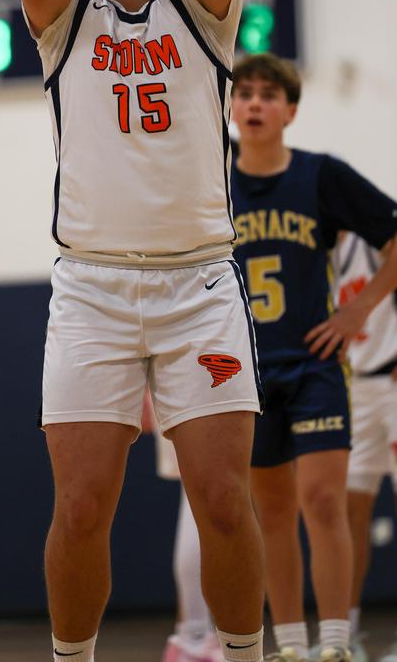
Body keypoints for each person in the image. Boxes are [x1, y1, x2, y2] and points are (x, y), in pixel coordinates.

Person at [13, 0, 265, 662]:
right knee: (79, 508)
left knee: (222, 501)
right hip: (91, 289)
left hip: (198, 284)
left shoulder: (201, 13)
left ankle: (241, 656)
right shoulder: (64, 23)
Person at [229, 53, 397, 662]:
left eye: (268, 95)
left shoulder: (321, 175)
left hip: (314, 363)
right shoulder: (210, 181)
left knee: (324, 502)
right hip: (244, 372)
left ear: (290, 112)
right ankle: (291, 646)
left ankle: (335, 643)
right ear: (230, 106)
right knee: (271, 513)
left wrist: (358, 311)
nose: (254, 103)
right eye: (245, 93)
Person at [334, 233, 397, 662]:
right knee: (348, 511)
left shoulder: (374, 230)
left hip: (392, 379)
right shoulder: (316, 242)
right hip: (354, 386)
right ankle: (346, 634)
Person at [142, 391, 223, 662]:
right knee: (207, 495)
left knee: (205, 497)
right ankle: (195, 638)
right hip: (204, 378)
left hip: (195, 378)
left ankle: (193, 636)